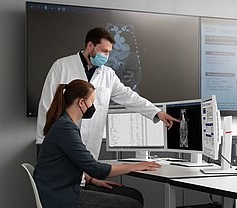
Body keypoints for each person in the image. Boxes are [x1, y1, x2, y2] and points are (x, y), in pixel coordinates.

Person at [36, 27, 179, 159]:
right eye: (104, 51)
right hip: (61, 142)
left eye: (109, 52)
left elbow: (129, 97)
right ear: (90, 46)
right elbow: (47, 106)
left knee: (85, 178)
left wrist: (157, 112)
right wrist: (43, 142)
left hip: (90, 144)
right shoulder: (62, 66)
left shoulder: (108, 74)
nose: (107, 56)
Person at [34, 79, 161, 208]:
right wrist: (135, 166)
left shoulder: (65, 124)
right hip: (61, 197)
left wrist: (91, 180)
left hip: (61, 190)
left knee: (134, 195)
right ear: (81, 103)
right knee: (131, 204)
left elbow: (68, 164)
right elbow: (96, 169)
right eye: (92, 101)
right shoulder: (65, 128)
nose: (93, 106)